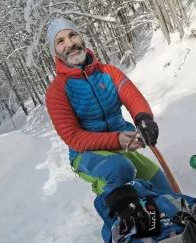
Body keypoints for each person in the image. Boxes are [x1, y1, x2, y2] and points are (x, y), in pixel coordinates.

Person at [45, 18, 173, 195]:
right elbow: (74, 137)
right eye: (60, 41)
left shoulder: (108, 72)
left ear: (81, 38)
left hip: (121, 147)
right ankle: (112, 212)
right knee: (120, 170)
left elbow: (133, 97)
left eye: (72, 35)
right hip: (86, 154)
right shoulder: (57, 91)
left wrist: (143, 118)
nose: (69, 44)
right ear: (56, 52)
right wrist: (115, 139)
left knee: (166, 192)